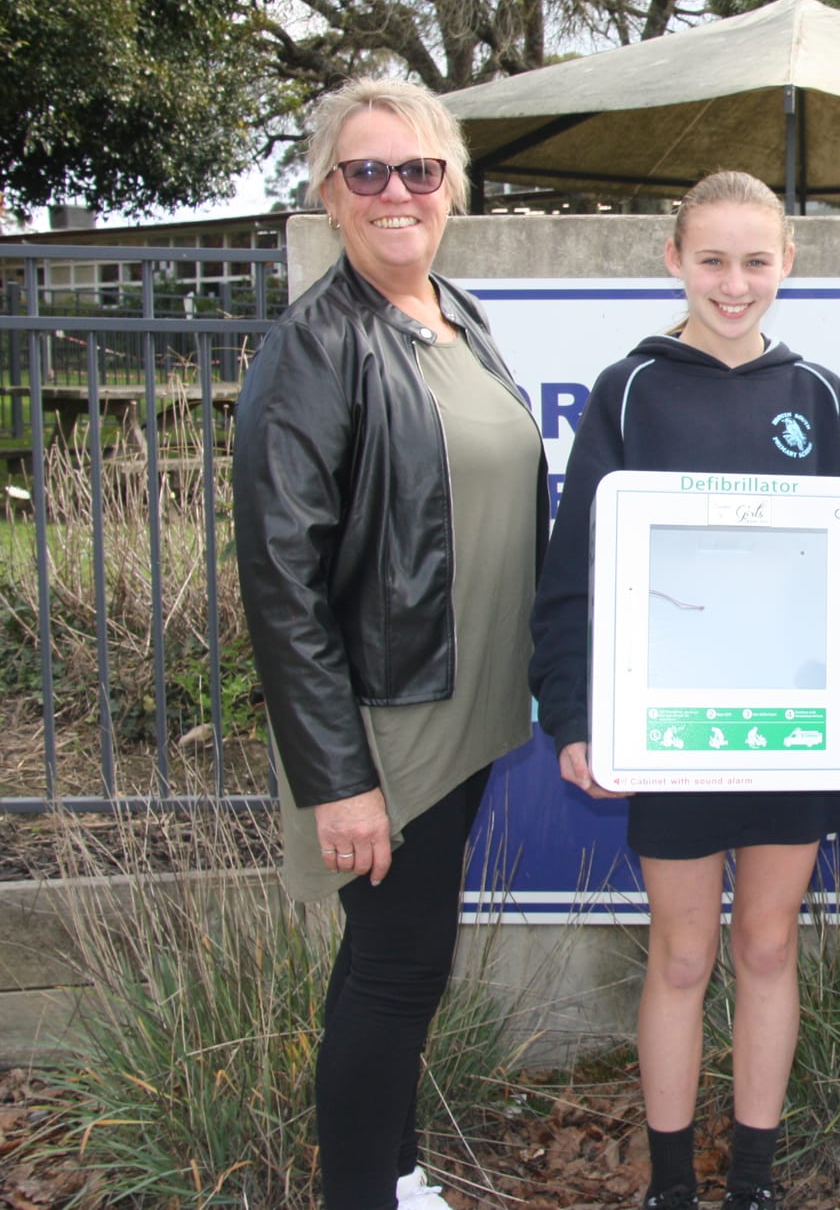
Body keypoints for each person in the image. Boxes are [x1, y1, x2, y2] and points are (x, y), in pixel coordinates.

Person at [528, 170, 840, 1210]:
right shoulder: (630, 389)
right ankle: (668, 1188)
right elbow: (574, 574)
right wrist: (572, 714)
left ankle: (753, 1183)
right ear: (672, 261)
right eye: (712, 260)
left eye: (755, 260)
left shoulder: (819, 396)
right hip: (671, 725)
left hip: (788, 727)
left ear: (788, 264)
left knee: (768, 945)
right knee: (683, 958)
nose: (733, 284)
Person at [235, 78, 548, 1210]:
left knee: (396, 967)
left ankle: (394, 1171)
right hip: (387, 723)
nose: (395, 192)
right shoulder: (314, 347)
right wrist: (340, 778)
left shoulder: (454, 315)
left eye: (418, 169)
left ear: (452, 186)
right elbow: (283, 580)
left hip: (463, 704)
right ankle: (362, 1196)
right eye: (366, 172)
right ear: (328, 193)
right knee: (395, 970)